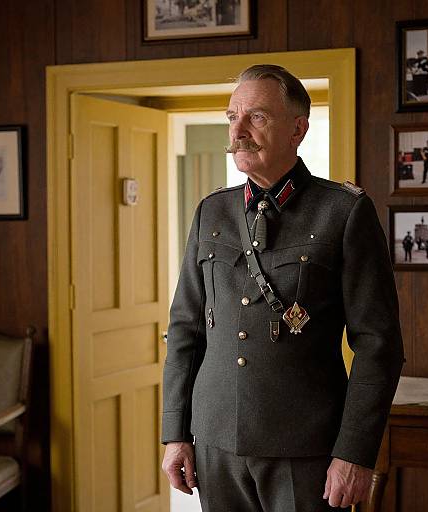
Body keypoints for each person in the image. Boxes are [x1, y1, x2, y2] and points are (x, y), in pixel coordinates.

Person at [161, 64, 404, 512]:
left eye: (257, 117)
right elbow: (184, 330)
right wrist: (175, 433)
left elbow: (379, 344)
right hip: (215, 445)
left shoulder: (343, 212)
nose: (239, 130)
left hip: (306, 449)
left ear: (298, 129)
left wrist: (353, 452)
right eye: (232, 116)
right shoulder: (211, 212)